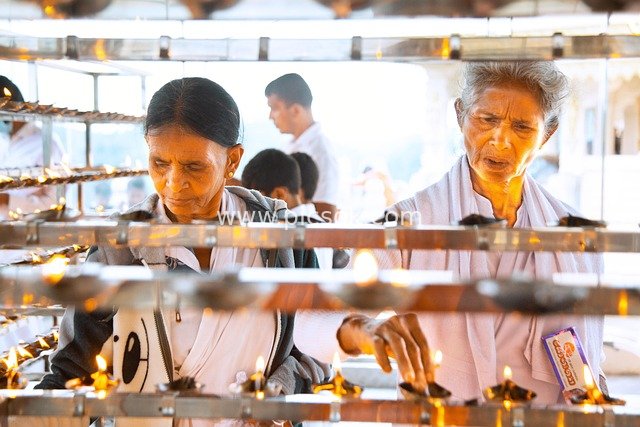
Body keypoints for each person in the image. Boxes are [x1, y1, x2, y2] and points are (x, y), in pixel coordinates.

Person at [36, 77, 331, 427]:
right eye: (159, 163)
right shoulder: (123, 245)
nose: (174, 184)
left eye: (194, 166)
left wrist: (278, 399)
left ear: (232, 160)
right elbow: (74, 367)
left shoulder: (280, 237)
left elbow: (317, 348)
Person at [327, 61, 605, 403]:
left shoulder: (573, 233)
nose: (500, 141)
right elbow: (322, 316)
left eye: (521, 127)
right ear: (460, 116)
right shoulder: (412, 220)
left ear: (547, 134)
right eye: (487, 120)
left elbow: (589, 361)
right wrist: (363, 329)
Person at [265, 73, 340, 222]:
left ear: (295, 110)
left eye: (274, 108)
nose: (270, 116)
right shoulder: (289, 146)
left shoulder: (321, 151)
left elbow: (326, 214)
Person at [241, 148, 332, 269]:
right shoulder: (321, 224)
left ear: (279, 195)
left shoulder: (289, 229)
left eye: (259, 199)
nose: (252, 208)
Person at [0, 75, 66, 218]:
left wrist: (7, 200)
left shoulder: (46, 144)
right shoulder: (3, 140)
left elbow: (54, 202)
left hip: (31, 233)